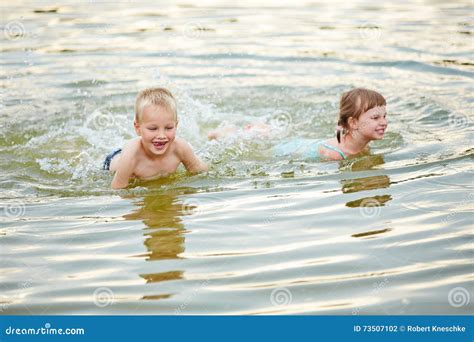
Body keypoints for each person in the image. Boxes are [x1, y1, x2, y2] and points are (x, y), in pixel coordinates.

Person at [208, 88, 388, 161]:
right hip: (285, 151)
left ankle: (259, 129)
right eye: (375, 118)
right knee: (252, 145)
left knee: (262, 136)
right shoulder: (336, 155)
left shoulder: (362, 145)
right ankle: (224, 133)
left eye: (384, 116)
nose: (384, 123)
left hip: (302, 142)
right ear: (353, 122)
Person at [103, 87, 208, 189]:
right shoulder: (131, 155)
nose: (161, 136)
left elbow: (201, 172)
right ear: (138, 128)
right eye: (153, 129)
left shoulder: (180, 148)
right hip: (116, 158)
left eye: (168, 128)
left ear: (176, 125)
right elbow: (117, 188)